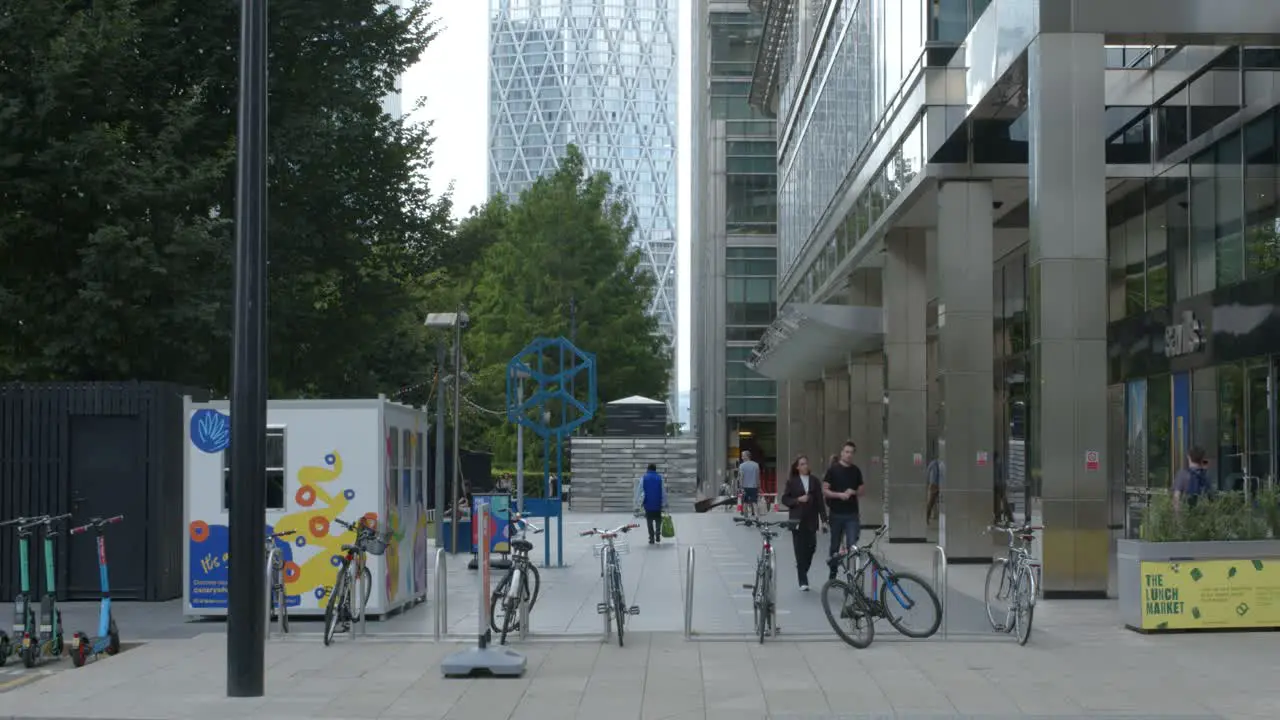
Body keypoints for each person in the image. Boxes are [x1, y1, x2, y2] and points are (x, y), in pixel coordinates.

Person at [780, 455, 827, 591]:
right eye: (802, 464)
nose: (805, 466)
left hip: (811, 519)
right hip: (797, 520)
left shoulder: (814, 481)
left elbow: (820, 502)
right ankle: (802, 579)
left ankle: (803, 568)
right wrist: (798, 500)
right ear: (797, 467)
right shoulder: (792, 482)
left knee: (811, 547)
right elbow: (785, 499)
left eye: (806, 463)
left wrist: (824, 520)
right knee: (799, 550)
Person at [823, 440, 865, 580]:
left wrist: (853, 491)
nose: (848, 455)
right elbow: (825, 490)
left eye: (851, 453)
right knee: (835, 545)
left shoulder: (856, 470)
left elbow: (862, 490)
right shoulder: (833, 470)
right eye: (846, 452)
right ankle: (833, 573)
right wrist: (839, 495)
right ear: (842, 453)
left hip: (852, 514)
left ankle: (851, 576)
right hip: (836, 514)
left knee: (852, 545)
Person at [634, 463, 668, 544]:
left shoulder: (644, 478)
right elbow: (663, 491)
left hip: (648, 503)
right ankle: (658, 534)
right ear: (655, 469)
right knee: (658, 519)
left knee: (649, 520)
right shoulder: (660, 478)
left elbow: (639, 491)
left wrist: (637, 501)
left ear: (648, 469)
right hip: (657, 503)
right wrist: (665, 502)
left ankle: (651, 537)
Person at [1172, 446, 1212, 513]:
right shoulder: (1206, 476)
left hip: (1188, 514)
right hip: (1202, 514)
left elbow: (1177, 497)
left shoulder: (1183, 474)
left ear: (1188, 457)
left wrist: (1177, 518)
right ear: (1202, 458)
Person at [738, 451, 761, 517]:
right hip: (754, 486)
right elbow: (757, 477)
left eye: (743, 455)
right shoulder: (756, 465)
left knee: (745, 502)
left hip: (745, 487)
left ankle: (746, 517)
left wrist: (741, 487)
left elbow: (741, 477)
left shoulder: (741, 466)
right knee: (754, 502)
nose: (742, 457)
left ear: (746, 456)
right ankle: (757, 516)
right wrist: (759, 487)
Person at [925, 455, 942, 525]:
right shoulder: (933, 464)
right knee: (931, 502)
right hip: (934, 485)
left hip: (938, 485)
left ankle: (933, 515)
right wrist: (928, 483)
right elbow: (928, 473)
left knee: (933, 502)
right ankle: (927, 517)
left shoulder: (939, 464)